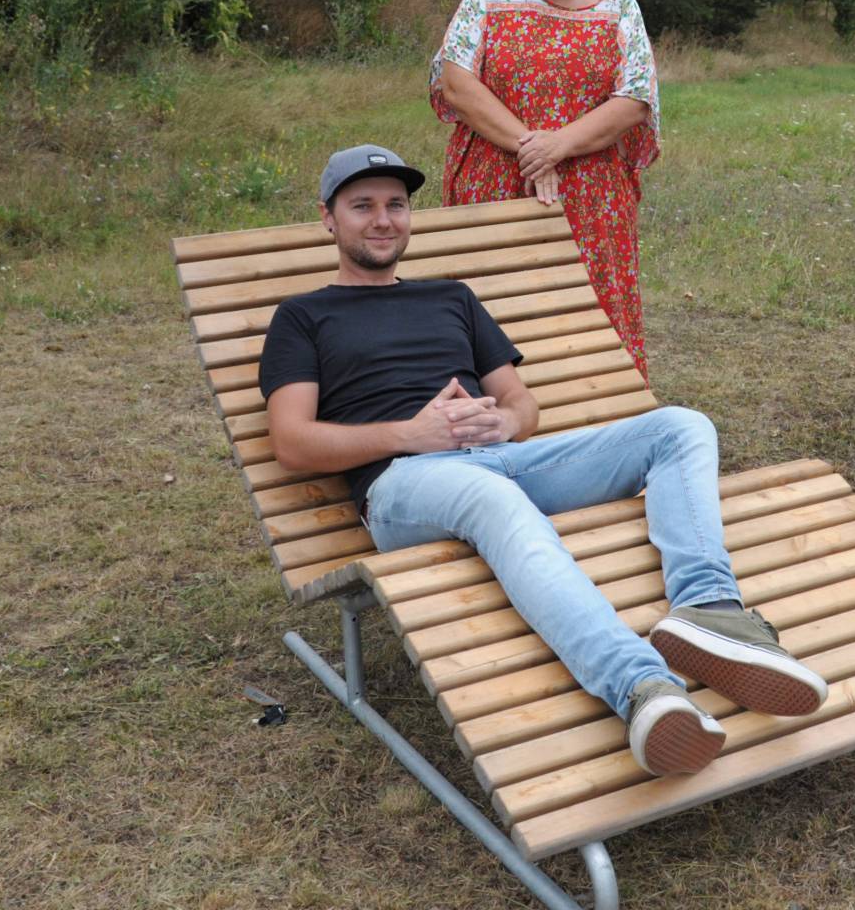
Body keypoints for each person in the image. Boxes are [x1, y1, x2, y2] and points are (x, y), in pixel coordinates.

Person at [261, 145, 826, 776]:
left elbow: (520, 403)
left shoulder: (451, 297)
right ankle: (642, 688)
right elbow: (292, 443)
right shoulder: (303, 317)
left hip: (503, 456)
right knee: (496, 499)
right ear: (328, 219)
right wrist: (410, 434)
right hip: (404, 484)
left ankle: (711, 613)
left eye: (395, 204)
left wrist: (503, 420)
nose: (383, 219)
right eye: (362, 206)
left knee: (679, 427)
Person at [431, 0, 660, 379]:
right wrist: (531, 148)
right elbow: (455, 81)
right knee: (489, 309)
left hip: (592, 200)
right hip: (490, 190)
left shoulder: (620, 7)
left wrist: (558, 144)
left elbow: (635, 99)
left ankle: (599, 425)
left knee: (588, 320)